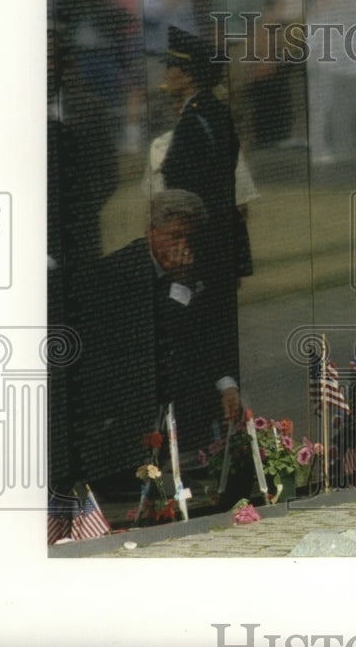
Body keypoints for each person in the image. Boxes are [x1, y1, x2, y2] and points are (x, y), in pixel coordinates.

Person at [69, 190, 242, 492]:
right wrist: (179, 285)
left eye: (189, 238)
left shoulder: (197, 270)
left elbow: (208, 334)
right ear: (152, 230)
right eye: (174, 236)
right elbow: (149, 338)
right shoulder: (117, 273)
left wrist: (226, 383)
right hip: (126, 391)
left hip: (182, 394)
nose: (182, 247)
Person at [160, 24, 252, 282]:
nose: (165, 75)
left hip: (202, 236)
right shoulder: (213, 111)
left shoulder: (195, 119)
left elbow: (190, 182)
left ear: (188, 76)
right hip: (219, 234)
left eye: (170, 68)